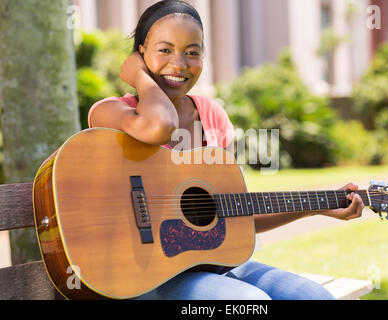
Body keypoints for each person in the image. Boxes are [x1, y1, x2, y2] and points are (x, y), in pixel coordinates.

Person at [88, 0, 364, 300]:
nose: (179, 64)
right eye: (164, 50)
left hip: (213, 265)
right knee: (251, 305)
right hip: (146, 276)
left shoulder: (212, 117)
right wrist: (141, 78)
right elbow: (159, 127)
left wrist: (315, 207)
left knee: (313, 296)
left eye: (192, 52)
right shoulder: (111, 113)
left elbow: (234, 213)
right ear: (140, 54)